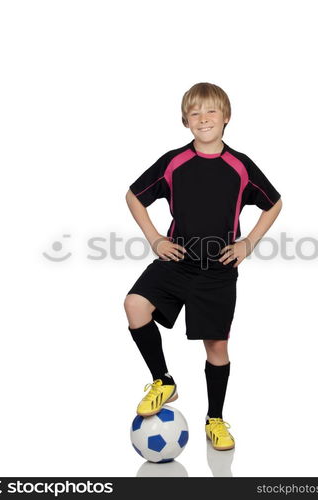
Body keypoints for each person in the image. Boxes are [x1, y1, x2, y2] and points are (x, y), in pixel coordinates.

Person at [124, 82, 282, 451]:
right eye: (194, 113)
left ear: (226, 118)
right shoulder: (174, 162)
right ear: (185, 121)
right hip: (177, 259)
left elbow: (273, 203)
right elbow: (134, 195)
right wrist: (155, 239)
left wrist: (248, 243)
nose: (203, 118)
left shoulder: (240, 166)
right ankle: (163, 381)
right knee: (134, 304)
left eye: (211, 111)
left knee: (216, 348)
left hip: (218, 270)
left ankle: (215, 419)